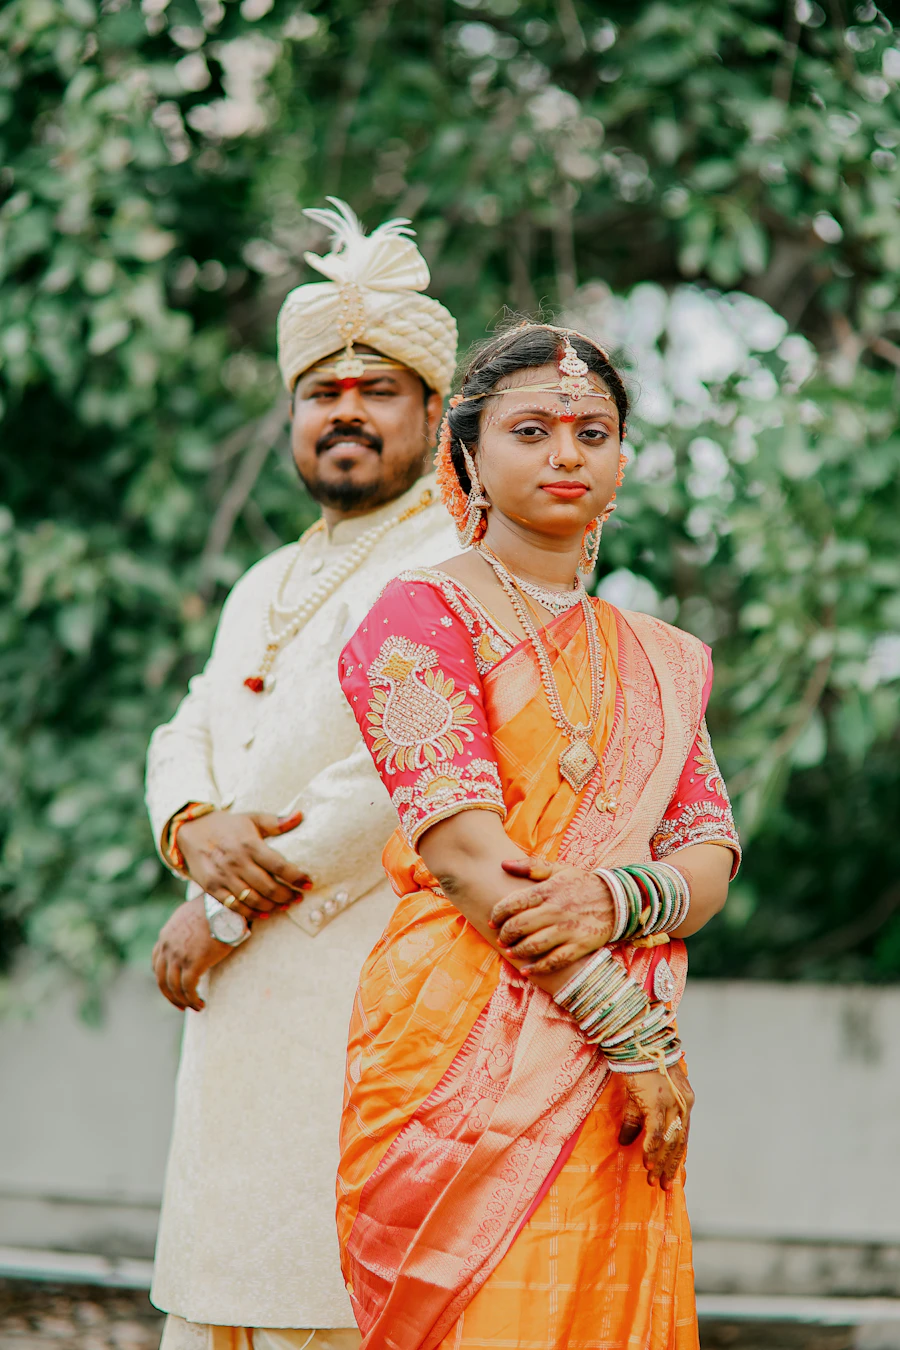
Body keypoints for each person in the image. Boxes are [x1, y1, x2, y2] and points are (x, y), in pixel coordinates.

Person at [337, 322, 742, 1349]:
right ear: (466, 451)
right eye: (532, 429)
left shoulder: (658, 655)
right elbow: (469, 858)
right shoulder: (419, 614)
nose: (567, 454)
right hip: (458, 1043)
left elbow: (707, 851)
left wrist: (615, 898)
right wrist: (631, 1032)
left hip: (611, 1072)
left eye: (593, 431)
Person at [144, 199, 459, 1350]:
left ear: (433, 412)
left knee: (328, 1304)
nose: (346, 414)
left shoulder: (456, 561)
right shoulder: (266, 576)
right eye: (323, 394)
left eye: (378, 393)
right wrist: (188, 824)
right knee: (221, 1296)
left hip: (359, 985)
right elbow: (187, 725)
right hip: (239, 1005)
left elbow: (388, 777)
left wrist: (220, 906)